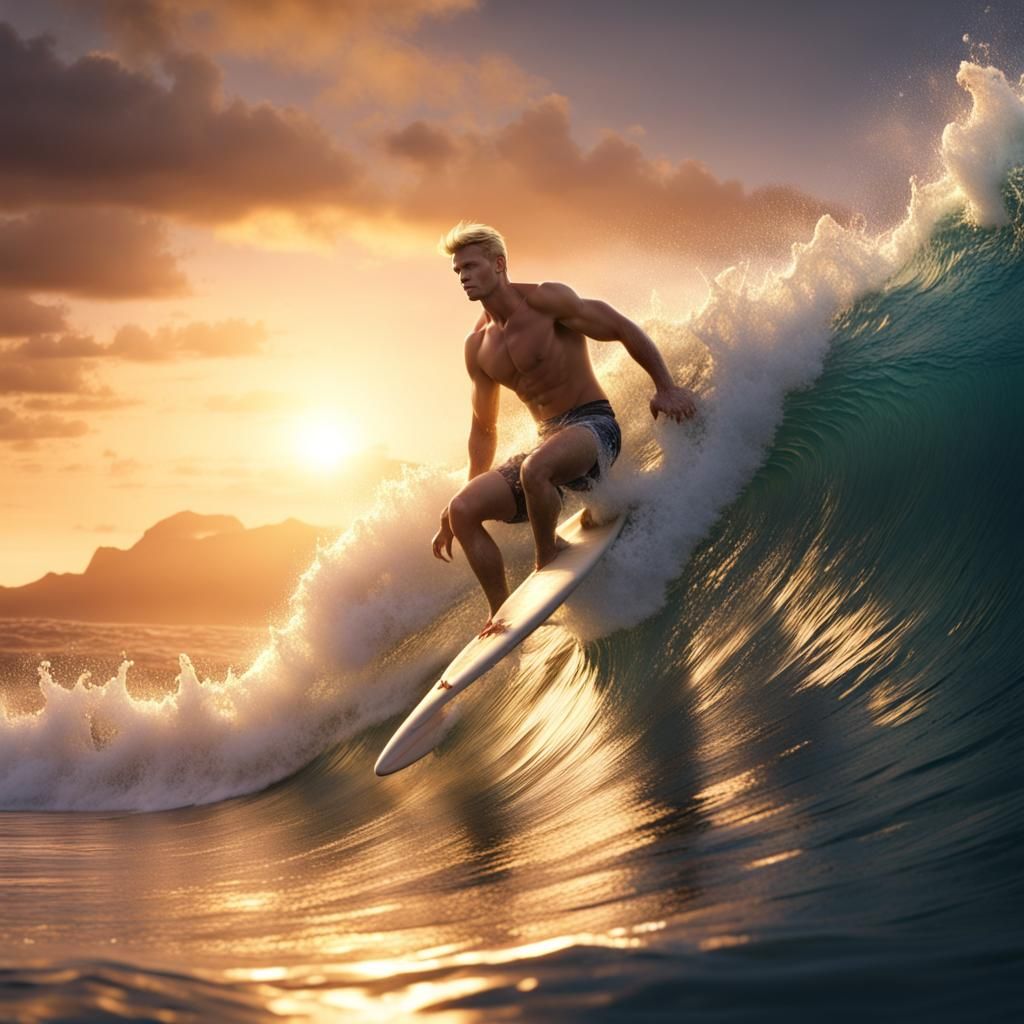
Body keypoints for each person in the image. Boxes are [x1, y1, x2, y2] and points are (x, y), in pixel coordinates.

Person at [431, 221, 697, 635]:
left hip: (593, 427)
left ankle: (547, 557)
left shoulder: (546, 301)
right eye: (457, 270)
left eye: (470, 266)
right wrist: (467, 490)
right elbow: (483, 428)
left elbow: (620, 327)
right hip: (548, 443)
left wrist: (665, 386)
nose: (462, 276)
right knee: (461, 509)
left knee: (534, 468)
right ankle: (500, 615)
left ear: (498, 264)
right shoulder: (478, 346)